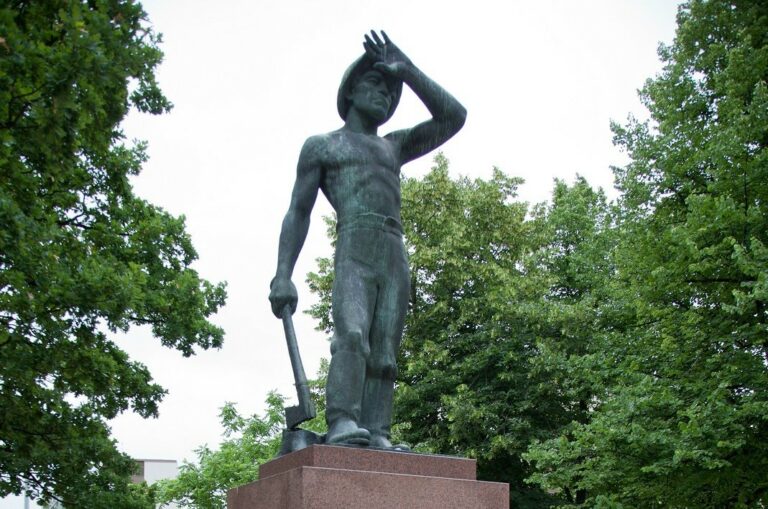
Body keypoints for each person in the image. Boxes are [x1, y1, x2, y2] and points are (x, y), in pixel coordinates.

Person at [269, 31, 466, 449]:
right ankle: (343, 421)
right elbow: (298, 211)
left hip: (393, 250)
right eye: (376, 86)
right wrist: (282, 274)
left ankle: (378, 431)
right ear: (350, 91)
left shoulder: (393, 146)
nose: (386, 96)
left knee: (385, 354)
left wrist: (408, 71)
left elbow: (454, 116)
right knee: (353, 335)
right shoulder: (322, 146)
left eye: (392, 92)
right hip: (355, 246)